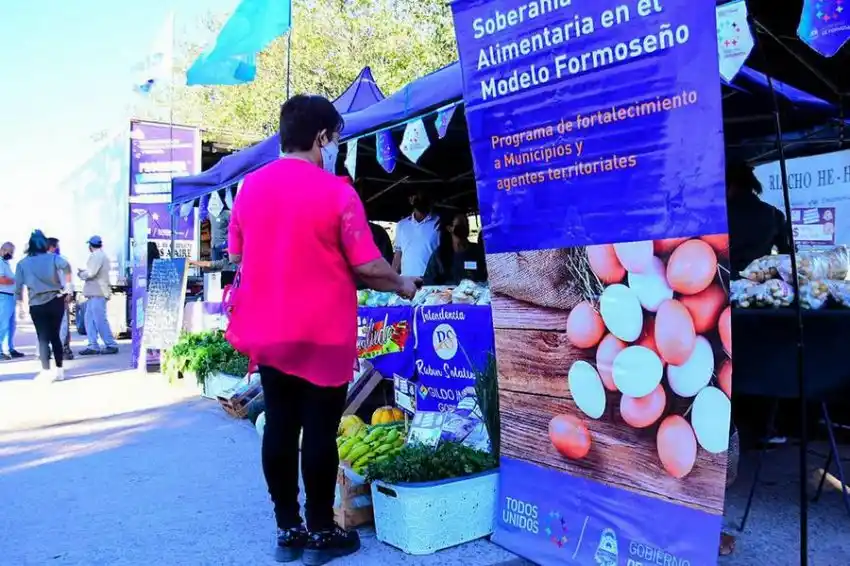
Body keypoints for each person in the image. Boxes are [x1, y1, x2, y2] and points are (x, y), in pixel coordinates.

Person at [227, 94, 420, 565]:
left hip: (268, 328)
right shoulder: (336, 192)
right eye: (335, 138)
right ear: (321, 137)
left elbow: (236, 254)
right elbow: (368, 265)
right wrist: (401, 283)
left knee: (279, 424)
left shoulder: (250, 188)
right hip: (323, 331)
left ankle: (287, 529)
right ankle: (320, 532)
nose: (335, 147)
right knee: (318, 428)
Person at [14, 230, 72, 382]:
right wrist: (68, 286)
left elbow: (18, 287)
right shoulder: (53, 258)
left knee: (43, 337)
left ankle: (46, 371)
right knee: (55, 336)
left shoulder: (22, 264)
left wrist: (20, 306)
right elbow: (66, 266)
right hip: (56, 300)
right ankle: (59, 370)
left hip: (37, 303)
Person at [726, 161, 792, 278]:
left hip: (727, 280)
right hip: (760, 280)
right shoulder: (774, 214)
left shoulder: (720, 215)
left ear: (731, 185)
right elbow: (786, 252)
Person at [77, 235, 118, 356]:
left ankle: (111, 344)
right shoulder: (100, 255)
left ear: (90, 246)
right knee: (89, 319)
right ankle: (93, 345)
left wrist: (81, 274)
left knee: (99, 320)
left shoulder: (97, 256)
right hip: (95, 292)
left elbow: (91, 273)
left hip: (98, 292)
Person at [423, 213, 487, 286]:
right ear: (449, 228)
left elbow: (487, 278)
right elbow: (428, 281)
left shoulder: (478, 251)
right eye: (461, 226)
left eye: (467, 224)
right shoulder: (439, 255)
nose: (465, 228)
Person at [392, 188, 440, 276]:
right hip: (406, 280)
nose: (420, 201)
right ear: (410, 200)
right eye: (417, 198)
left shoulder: (439, 223)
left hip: (431, 281)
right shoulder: (401, 225)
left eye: (423, 198)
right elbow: (398, 255)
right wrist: (392, 278)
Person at [47, 238, 75, 360]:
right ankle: (62, 349)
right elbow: (68, 278)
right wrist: (69, 293)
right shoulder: (61, 260)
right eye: (57, 246)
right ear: (53, 247)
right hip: (59, 295)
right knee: (62, 323)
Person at [0, 242, 25, 360]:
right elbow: (1, 280)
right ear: (3, 250)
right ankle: (2, 350)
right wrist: (15, 280)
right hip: (3, 297)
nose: (11, 255)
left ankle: (9, 348)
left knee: (11, 325)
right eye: (10, 252)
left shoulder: (6, 263)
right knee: (3, 325)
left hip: (10, 297)